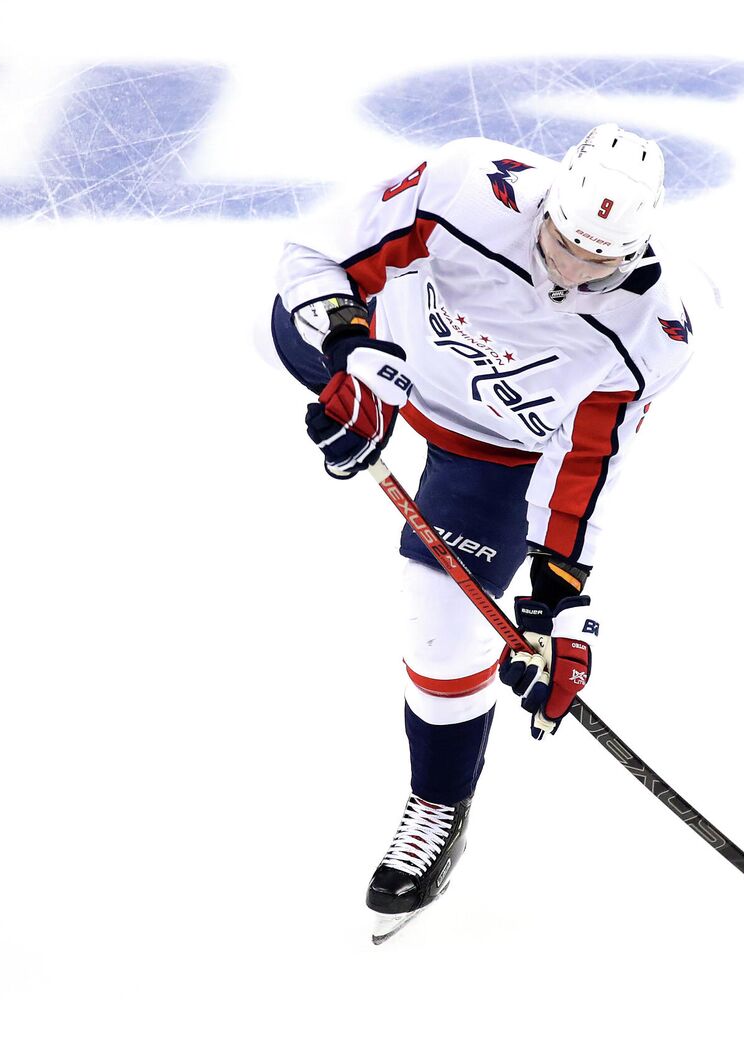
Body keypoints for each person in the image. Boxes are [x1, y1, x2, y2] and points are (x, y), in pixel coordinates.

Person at [264, 124, 702, 941]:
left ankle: (437, 805)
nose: (568, 271)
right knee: (271, 329)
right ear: (549, 203)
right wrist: (351, 350)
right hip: (388, 366)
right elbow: (311, 258)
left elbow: (587, 464)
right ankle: (360, 380)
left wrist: (557, 600)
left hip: (495, 451)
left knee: (445, 638)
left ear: (638, 249)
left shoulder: (661, 326)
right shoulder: (464, 185)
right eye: (562, 243)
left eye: (596, 264)